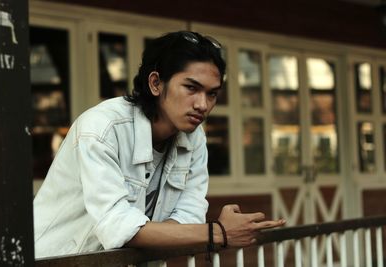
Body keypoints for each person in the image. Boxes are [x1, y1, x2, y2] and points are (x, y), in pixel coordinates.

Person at [33, 31, 285, 259]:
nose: (202, 104)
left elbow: (188, 218)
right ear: (155, 83)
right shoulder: (102, 128)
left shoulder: (194, 138)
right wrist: (216, 232)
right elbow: (117, 227)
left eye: (211, 94)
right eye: (191, 87)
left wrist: (190, 232)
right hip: (52, 260)